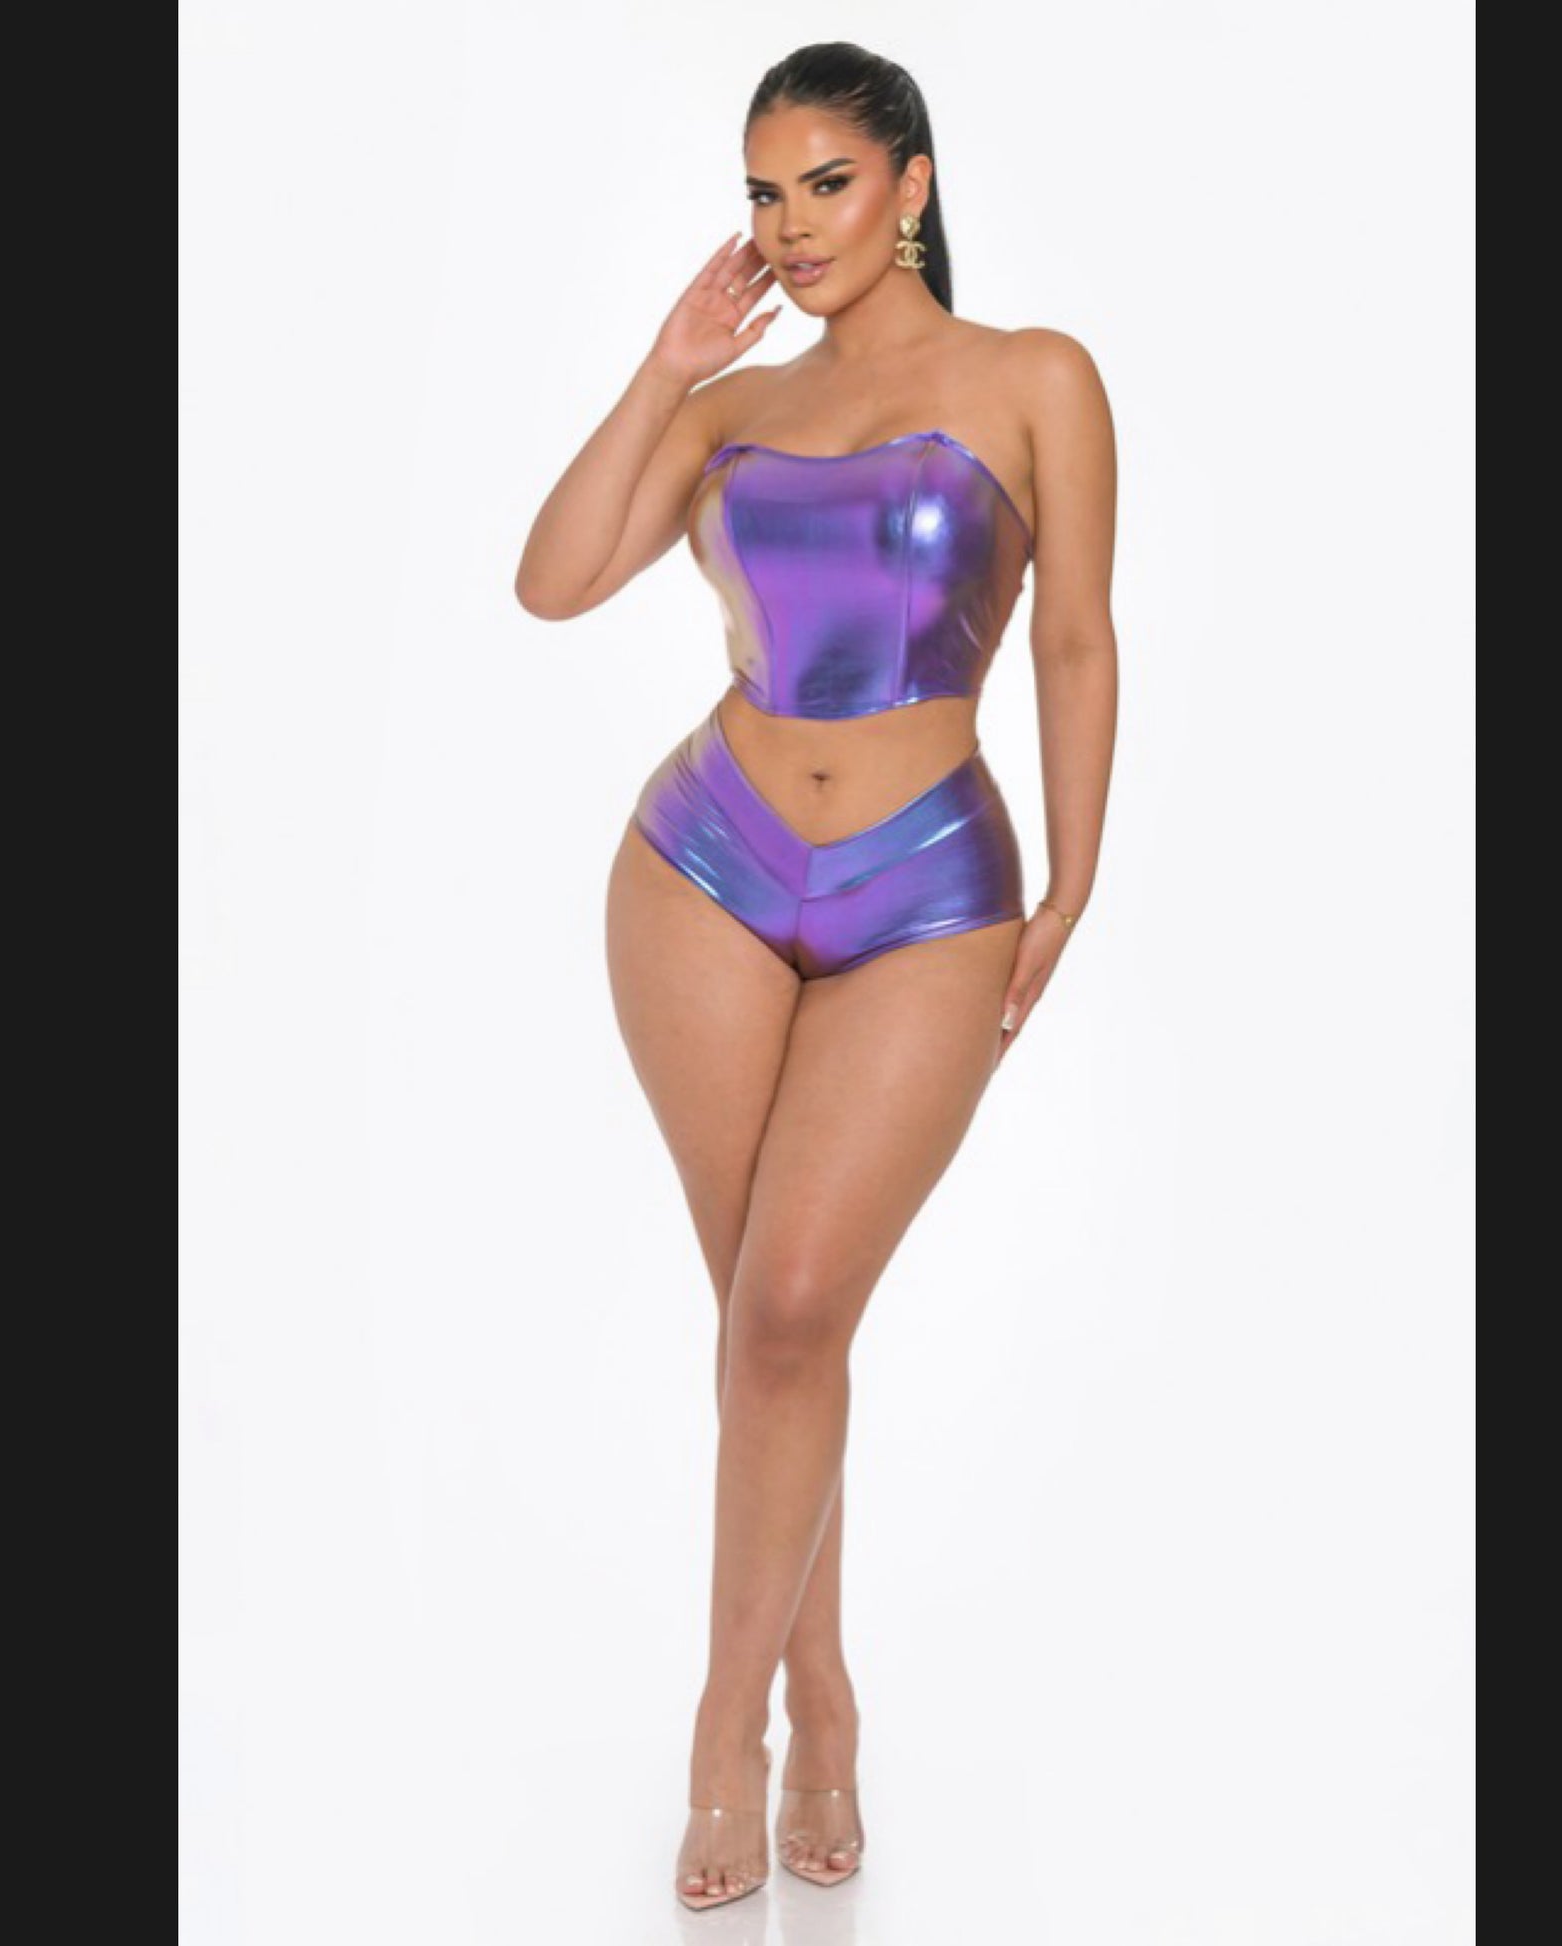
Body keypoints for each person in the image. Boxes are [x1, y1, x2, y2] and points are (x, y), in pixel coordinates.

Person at [514, 40, 1118, 1912]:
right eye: (764, 193)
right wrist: (664, 370)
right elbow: (552, 581)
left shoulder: (1033, 377)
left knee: (790, 1309)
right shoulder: (736, 403)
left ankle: (756, 1707)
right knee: (768, 1330)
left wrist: (1074, 881)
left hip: (926, 882)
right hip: (701, 863)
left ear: (911, 184)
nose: (790, 225)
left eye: (827, 184)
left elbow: (1076, 640)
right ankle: (786, 1713)